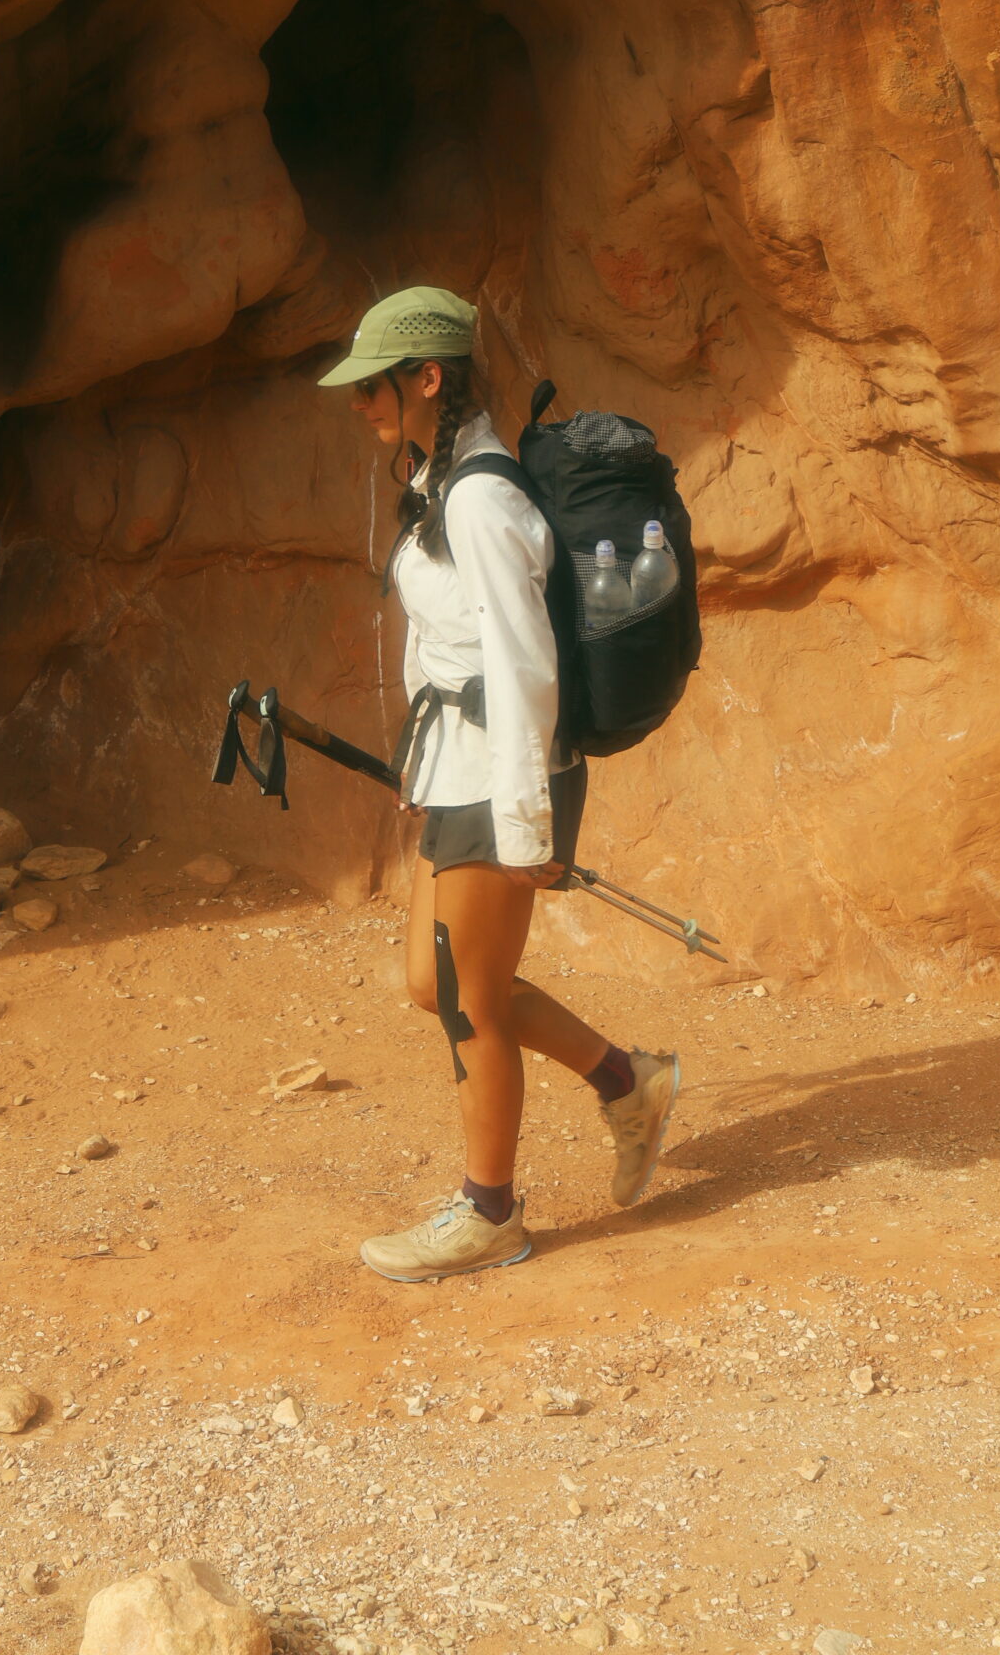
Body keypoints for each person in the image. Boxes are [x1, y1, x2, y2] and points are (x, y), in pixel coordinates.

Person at [318, 285, 680, 1282]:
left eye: (373, 385)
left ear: (427, 377)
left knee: (470, 999)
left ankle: (491, 1215)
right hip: (463, 768)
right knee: (432, 983)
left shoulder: (480, 497)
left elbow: (523, 664)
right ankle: (627, 1080)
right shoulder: (444, 481)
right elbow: (446, 644)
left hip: (507, 775)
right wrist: (422, 769)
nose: (360, 403)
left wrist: (526, 825)